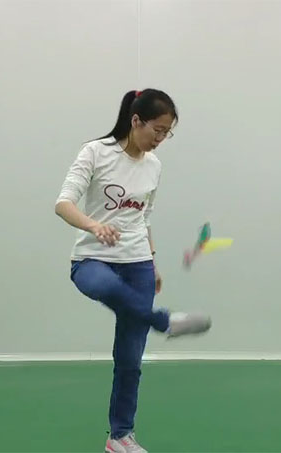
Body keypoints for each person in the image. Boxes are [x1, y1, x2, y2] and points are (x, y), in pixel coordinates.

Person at [54, 89, 212, 452]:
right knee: (108, 288)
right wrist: (94, 226)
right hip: (92, 259)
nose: (160, 139)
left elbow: (144, 218)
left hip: (138, 263)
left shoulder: (154, 166)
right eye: (157, 130)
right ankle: (164, 322)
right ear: (136, 120)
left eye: (167, 133)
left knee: (129, 360)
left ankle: (120, 436)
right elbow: (63, 204)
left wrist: (152, 262)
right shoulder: (95, 152)